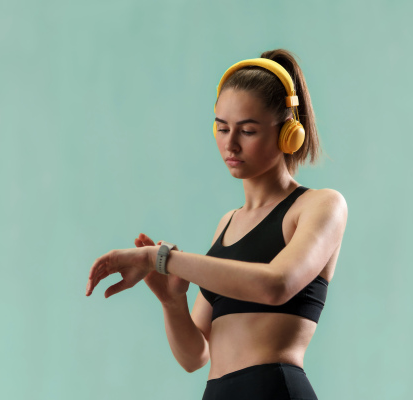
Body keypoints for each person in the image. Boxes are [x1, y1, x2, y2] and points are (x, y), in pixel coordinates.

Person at [85, 49, 348, 400]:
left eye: (248, 130)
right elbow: (195, 356)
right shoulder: (228, 223)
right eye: (222, 128)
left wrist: (158, 258)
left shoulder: (320, 205)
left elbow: (276, 285)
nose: (230, 143)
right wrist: (172, 302)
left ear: (289, 134)